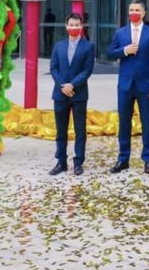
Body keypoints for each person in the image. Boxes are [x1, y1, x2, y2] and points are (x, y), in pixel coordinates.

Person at [107, 0, 149, 174]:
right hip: (125, 86)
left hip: (146, 86)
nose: (134, 13)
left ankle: (148, 159)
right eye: (131, 10)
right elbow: (109, 53)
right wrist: (125, 50)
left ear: (144, 13)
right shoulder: (121, 33)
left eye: (137, 10)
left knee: (147, 123)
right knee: (124, 123)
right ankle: (123, 159)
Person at [49, 13, 94, 176]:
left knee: (80, 130)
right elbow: (54, 68)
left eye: (77, 25)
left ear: (81, 27)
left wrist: (72, 85)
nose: (74, 28)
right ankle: (61, 162)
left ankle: (78, 162)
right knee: (61, 130)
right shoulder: (58, 46)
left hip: (79, 93)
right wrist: (63, 86)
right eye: (71, 25)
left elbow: (87, 70)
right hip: (60, 93)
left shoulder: (88, 46)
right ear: (66, 26)